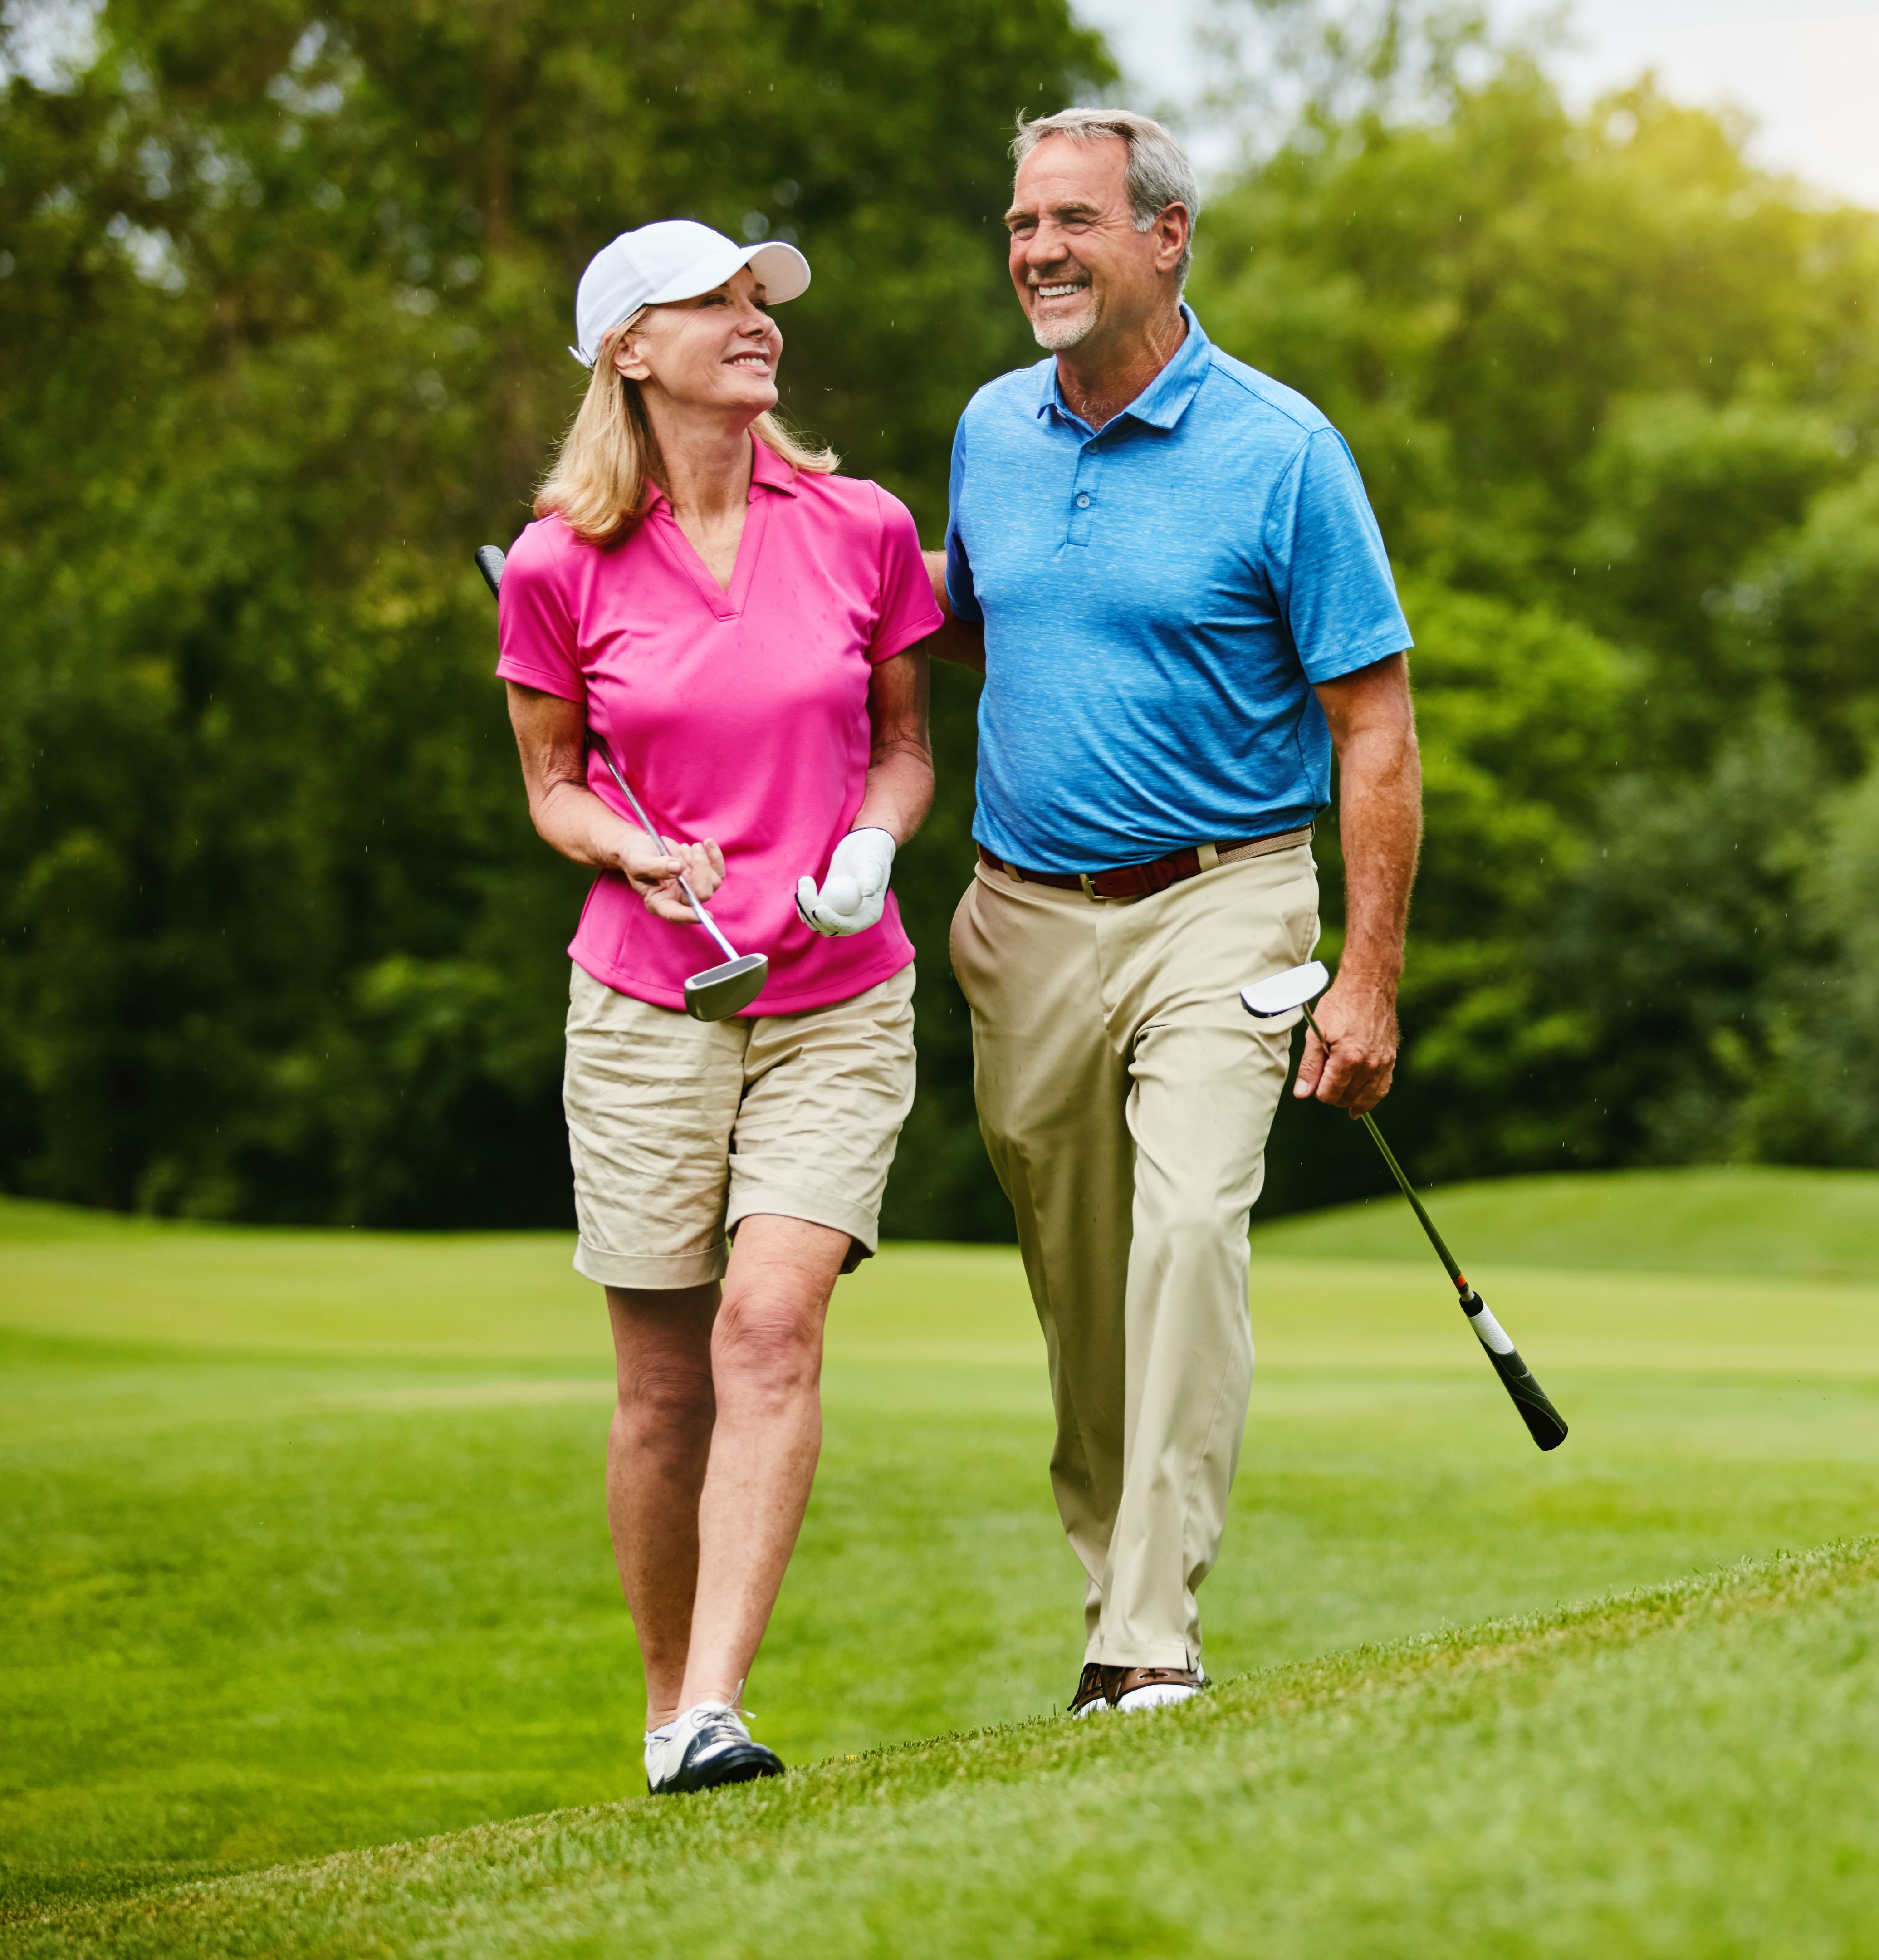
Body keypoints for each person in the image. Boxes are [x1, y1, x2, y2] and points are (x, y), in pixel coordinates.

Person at [923, 110, 1423, 1717]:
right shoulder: (991, 431)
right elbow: (984, 637)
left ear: (1167, 236)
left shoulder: (1283, 450)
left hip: (1228, 908)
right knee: (1079, 1296)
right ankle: (1115, 1596)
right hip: (1024, 922)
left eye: (1071, 219)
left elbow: (1375, 726)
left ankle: (1150, 1637)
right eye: (1019, 225)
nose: (1038, 252)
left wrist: (1368, 975)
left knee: (1194, 1228)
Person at [493, 219, 944, 1793]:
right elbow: (553, 789)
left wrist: (875, 845)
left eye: (761, 302)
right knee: (663, 1383)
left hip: (836, 993)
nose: (755, 323)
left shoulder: (864, 524)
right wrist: (634, 848)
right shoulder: (559, 561)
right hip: (645, 1003)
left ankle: (715, 1710)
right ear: (629, 347)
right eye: (715, 303)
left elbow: (905, 743)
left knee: (771, 1322)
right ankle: (663, 1706)